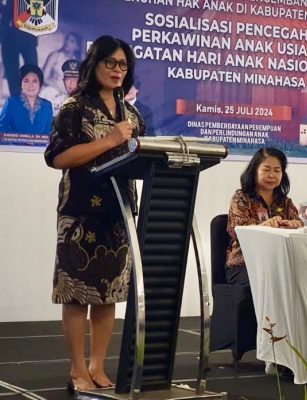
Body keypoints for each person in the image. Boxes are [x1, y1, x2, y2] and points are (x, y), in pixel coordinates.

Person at [44, 35, 145, 392]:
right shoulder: (74, 108)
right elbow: (58, 158)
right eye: (110, 63)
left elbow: (142, 157)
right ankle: (77, 371)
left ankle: (97, 366)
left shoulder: (132, 114)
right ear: (94, 64)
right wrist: (110, 141)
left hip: (118, 215)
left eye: (123, 65)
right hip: (80, 214)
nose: (118, 70)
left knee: (108, 294)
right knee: (77, 294)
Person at [225, 147, 301, 285]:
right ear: (254, 171)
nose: (272, 175)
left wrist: (293, 225)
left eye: (277, 171)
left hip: (278, 264)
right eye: (266, 170)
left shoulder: (285, 202)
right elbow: (238, 232)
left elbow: (299, 225)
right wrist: (265, 226)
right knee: (272, 281)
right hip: (244, 265)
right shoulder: (241, 198)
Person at [0, 64, 53, 134]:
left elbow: (48, 134)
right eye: (26, 81)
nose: (31, 85)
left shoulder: (47, 105)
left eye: (34, 81)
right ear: (21, 84)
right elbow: (2, 131)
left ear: (40, 84)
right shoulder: (11, 103)